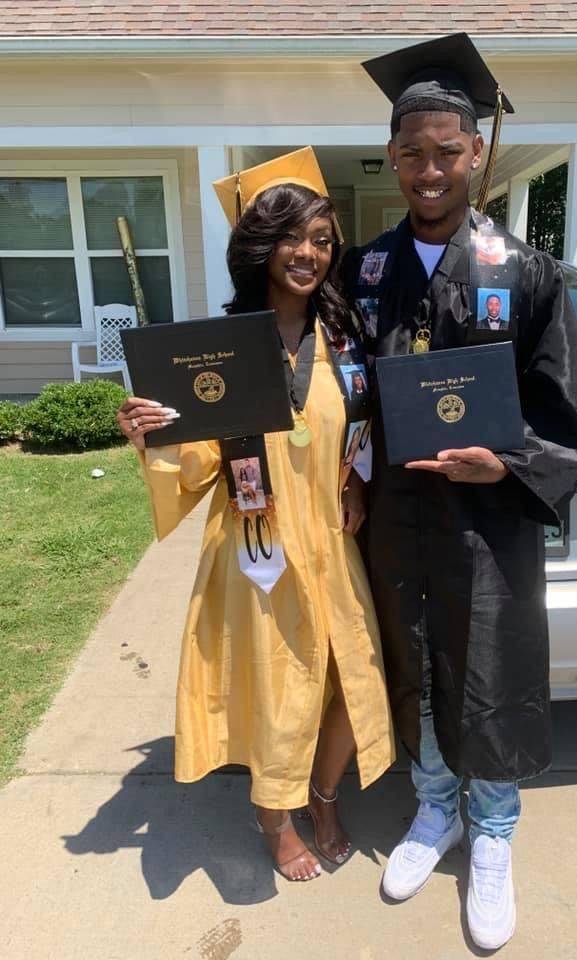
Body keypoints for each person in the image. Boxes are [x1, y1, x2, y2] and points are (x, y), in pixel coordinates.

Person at [341, 33, 577, 949]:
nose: (429, 169)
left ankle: (492, 836)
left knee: (484, 673)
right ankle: (433, 809)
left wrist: (509, 464)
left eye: (448, 150)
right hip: (398, 519)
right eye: (411, 152)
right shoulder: (364, 273)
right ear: (393, 155)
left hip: (488, 520)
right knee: (413, 666)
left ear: (476, 153)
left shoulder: (523, 272)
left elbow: (566, 417)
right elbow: (325, 381)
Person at [117, 147, 394, 883]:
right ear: (260, 246)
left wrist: (356, 480)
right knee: (276, 687)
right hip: (257, 543)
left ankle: (324, 795)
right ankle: (275, 817)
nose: (308, 253)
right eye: (291, 237)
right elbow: (199, 464)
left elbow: (361, 433)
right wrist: (154, 434)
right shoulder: (219, 347)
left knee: (351, 677)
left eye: (322, 239)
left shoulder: (345, 340)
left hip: (331, 543)